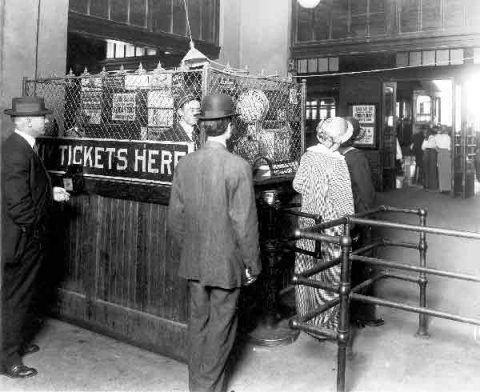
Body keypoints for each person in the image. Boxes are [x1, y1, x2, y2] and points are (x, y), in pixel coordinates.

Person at [167, 94, 261, 392]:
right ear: (231, 127)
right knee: (221, 329)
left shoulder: (185, 163)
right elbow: (244, 224)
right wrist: (253, 264)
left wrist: (192, 250)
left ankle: (201, 385)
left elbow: (176, 220)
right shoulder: (238, 166)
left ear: (205, 127)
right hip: (226, 265)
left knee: (198, 325)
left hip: (194, 262)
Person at [1, 96, 70, 378]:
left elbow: (28, 192)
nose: (47, 120)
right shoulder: (18, 151)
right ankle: (7, 359)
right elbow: (19, 206)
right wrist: (35, 231)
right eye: (42, 117)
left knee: (17, 295)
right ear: (28, 121)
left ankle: (12, 343)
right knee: (15, 298)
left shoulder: (21, 147)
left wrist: (50, 196)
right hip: (22, 240)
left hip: (22, 237)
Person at [293, 117, 354, 333]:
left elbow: (297, 184)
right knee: (333, 273)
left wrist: (315, 193)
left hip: (308, 222)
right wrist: (350, 225)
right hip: (331, 225)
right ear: (338, 141)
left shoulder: (308, 156)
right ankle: (329, 323)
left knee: (306, 270)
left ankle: (306, 320)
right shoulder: (338, 163)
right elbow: (344, 203)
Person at [340, 117, 384, 328]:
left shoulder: (333, 154)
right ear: (355, 135)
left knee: (344, 266)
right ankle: (362, 314)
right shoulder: (356, 157)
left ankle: (345, 314)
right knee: (364, 264)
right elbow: (366, 191)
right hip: (360, 216)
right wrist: (372, 217)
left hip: (340, 218)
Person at [435, 126, 452, 192]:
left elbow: (435, 146)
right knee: (448, 171)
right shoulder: (448, 137)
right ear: (446, 130)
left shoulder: (437, 136)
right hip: (447, 154)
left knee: (441, 171)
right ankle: (448, 187)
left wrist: (438, 150)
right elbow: (450, 147)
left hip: (440, 154)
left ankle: (442, 188)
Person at [422, 126, 439, 190]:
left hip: (426, 153)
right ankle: (433, 185)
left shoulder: (426, 139)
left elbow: (422, 147)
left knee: (426, 169)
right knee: (433, 169)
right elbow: (437, 147)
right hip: (432, 153)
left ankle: (426, 185)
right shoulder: (435, 138)